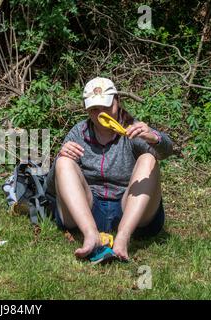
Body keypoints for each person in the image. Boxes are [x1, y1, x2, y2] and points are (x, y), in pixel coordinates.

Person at [46, 77, 173, 261]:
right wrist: (60, 156)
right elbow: (51, 187)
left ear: (117, 101)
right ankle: (91, 236)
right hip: (89, 210)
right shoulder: (78, 133)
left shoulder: (132, 129)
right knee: (63, 161)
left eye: (106, 107)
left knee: (148, 158)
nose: (101, 114)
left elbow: (168, 152)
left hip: (129, 208)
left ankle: (123, 237)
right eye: (94, 110)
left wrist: (154, 137)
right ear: (87, 110)